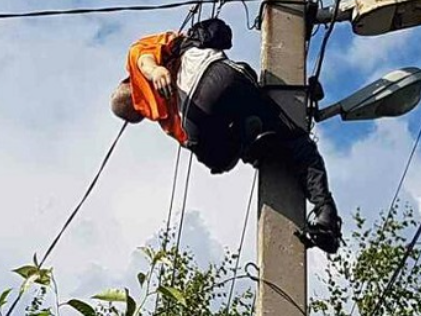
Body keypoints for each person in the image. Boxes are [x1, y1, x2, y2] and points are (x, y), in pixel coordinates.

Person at [111, 18, 342, 253]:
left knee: (219, 159)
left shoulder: (166, 119)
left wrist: (156, 71)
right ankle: (325, 212)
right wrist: (156, 70)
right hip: (219, 76)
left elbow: (193, 144)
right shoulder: (137, 56)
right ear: (128, 80)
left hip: (196, 118)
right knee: (296, 142)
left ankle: (248, 141)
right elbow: (144, 61)